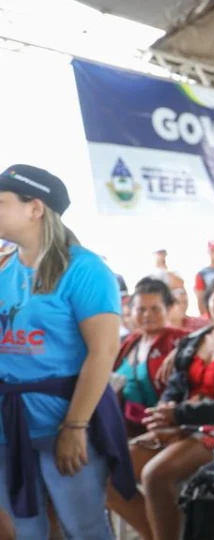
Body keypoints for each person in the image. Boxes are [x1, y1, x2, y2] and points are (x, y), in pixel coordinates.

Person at [0, 164, 134, 537]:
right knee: (25, 529)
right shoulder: (3, 269)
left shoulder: (86, 269)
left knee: (85, 527)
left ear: (35, 208)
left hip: (64, 417)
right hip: (7, 424)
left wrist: (75, 426)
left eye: (1, 202)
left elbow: (103, 351)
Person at [107, 274, 214, 540]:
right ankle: (154, 534)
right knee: (110, 472)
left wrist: (178, 416)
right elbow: (175, 386)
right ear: (206, 302)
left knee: (155, 475)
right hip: (183, 423)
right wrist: (163, 415)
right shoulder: (193, 341)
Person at [113, 278, 187, 437]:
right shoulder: (129, 343)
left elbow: (211, 335)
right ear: (131, 311)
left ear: (168, 309)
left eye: (155, 309)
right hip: (124, 430)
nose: (147, 314)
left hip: (163, 430)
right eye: (141, 309)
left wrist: (180, 350)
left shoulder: (181, 340)